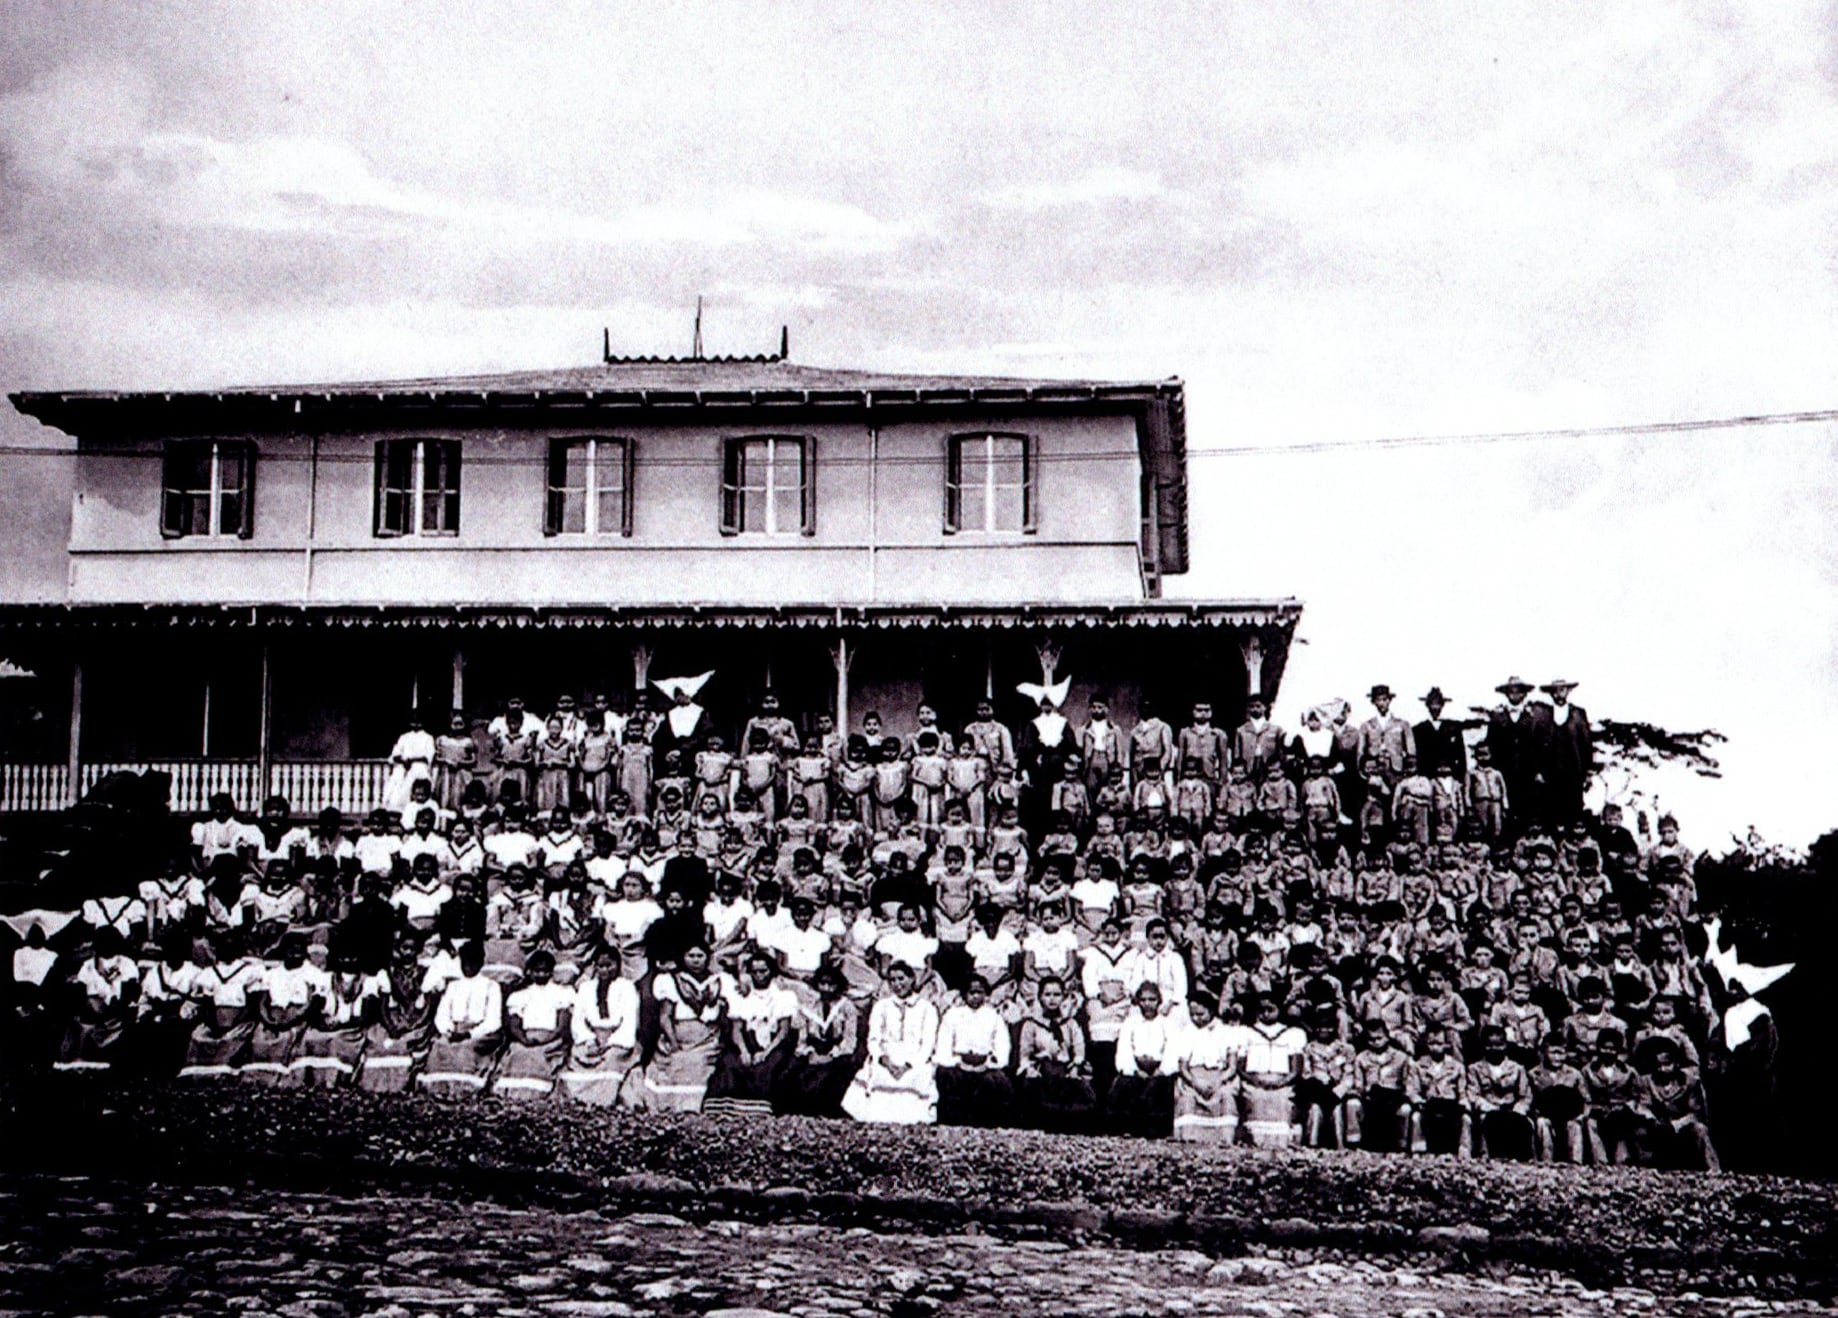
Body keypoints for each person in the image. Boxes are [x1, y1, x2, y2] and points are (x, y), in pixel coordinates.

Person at [629, 941, 725, 1111]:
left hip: (707, 1039)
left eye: (700, 956)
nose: (696, 960)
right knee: (675, 1060)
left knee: (696, 1062)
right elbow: (665, 1017)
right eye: (691, 956)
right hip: (677, 1035)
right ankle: (667, 1103)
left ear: (707, 958)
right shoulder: (672, 980)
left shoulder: (718, 981)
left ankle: (691, 1105)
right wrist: (673, 1041)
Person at [842, 961, 941, 1124]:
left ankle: (909, 1119)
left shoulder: (927, 1008)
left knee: (916, 1076)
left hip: (916, 1057)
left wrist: (908, 1065)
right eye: (892, 980)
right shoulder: (881, 1006)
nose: (897, 984)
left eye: (901, 979)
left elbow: (928, 1044)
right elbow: (873, 1039)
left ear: (912, 979)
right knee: (879, 1074)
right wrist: (884, 1059)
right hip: (886, 1055)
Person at [705, 951, 800, 1116]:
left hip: (774, 1044)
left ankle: (759, 1110)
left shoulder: (784, 997)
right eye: (755, 971)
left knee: (767, 1067)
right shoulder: (743, 998)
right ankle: (726, 1108)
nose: (759, 975)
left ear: (771, 971)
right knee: (730, 1063)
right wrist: (744, 1051)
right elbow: (737, 1029)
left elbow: (783, 1031)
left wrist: (765, 1052)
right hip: (748, 1042)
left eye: (763, 971)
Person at [416, 941, 503, 1096]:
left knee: (466, 1049)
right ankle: (440, 1088)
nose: (468, 967)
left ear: (481, 963)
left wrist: (469, 1034)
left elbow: (493, 1020)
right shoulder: (453, 986)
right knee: (440, 1047)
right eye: (465, 962)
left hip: (480, 1032)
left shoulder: (491, 986)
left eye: (473, 962)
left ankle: (465, 1088)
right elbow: (442, 1014)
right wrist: (449, 1031)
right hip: (454, 1030)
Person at [559, 944, 642, 1106]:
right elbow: (578, 1019)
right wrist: (589, 1040)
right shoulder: (586, 988)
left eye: (609, 965)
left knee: (611, 1058)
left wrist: (612, 1042)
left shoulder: (627, 987)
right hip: (592, 1038)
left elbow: (630, 1020)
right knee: (580, 1057)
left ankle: (603, 1099)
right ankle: (582, 1099)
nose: (605, 970)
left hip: (617, 1039)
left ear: (618, 965)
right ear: (595, 967)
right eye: (601, 966)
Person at [775, 964, 862, 1117]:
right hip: (814, 1050)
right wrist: (810, 1053)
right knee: (790, 1073)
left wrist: (831, 1055)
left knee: (834, 1076)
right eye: (823, 983)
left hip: (837, 1052)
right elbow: (802, 1038)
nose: (826, 989)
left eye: (831, 984)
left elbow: (849, 1040)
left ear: (838, 986)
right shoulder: (809, 1006)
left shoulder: (846, 1007)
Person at [1015, 974, 1098, 1132]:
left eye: (1057, 994)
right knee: (1032, 1090)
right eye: (1047, 994)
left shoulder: (1071, 1023)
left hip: (1066, 1069)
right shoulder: (1031, 1024)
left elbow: (1079, 1051)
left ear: (1063, 997)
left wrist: (1075, 1067)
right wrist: (1030, 1069)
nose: (1052, 999)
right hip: (1042, 1070)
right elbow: (1025, 1054)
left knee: (1082, 1094)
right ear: (1040, 997)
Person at [933, 973, 1016, 1126]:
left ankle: (988, 1123)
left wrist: (989, 1063)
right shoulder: (952, 1014)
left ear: (986, 994)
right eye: (972, 992)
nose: (976, 997)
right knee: (947, 1076)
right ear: (964, 994)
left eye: (980, 992)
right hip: (958, 1063)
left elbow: (1002, 1045)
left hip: (985, 1064)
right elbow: (943, 1044)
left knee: (996, 1081)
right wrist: (956, 1061)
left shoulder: (994, 1016)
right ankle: (954, 1123)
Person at [1104, 981, 1177, 1138]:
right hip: (1136, 1067)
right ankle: (1126, 1128)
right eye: (1143, 1000)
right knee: (1125, 1085)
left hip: (1159, 1069)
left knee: (1157, 1087)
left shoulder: (1167, 1024)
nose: (1147, 1004)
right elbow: (1124, 1049)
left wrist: (1162, 1070)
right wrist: (1134, 1070)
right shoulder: (1131, 1022)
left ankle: (1154, 1130)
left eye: (1152, 1000)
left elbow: (1172, 1050)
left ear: (1159, 1001)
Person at [1172, 990, 1244, 1143]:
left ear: (1211, 1011)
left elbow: (1232, 1067)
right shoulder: (1187, 1032)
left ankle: (1223, 1137)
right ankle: (1190, 1135)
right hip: (1194, 1077)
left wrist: (1218, 1081)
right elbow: (1183, 1067)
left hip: (1220, 1077)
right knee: (1188, 1098)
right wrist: (1195, 1082)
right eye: (1192, 1015)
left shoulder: (1227, 1032)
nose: (1195, 1018)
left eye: (1200, 1014)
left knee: (1225, 1096)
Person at [1635, 1038, 1719, 1171]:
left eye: (1667, 1064)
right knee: (1640, 1131)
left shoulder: (1690, 1082)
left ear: (1676, 1063)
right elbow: (1643, 1106)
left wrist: (1676, 1125)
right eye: (1658, 1065)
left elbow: (1695, 1112)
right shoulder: (1646, 1081)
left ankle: (1713, 1170)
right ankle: (1644, 1171)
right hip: (1657, 1127)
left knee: (1700, 1130)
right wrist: (1653, 1121)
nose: (1662, 1069)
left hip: (1682, 1128)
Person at [1483, 676, 1549, 836]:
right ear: (1506, 694)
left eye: (1518, 691)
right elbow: (1491, 744)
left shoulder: (1534, 717)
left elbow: (1541, 746)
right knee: (1506, 808)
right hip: (1504, 771)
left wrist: (1539, 770)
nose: (1515, 695)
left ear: (1524, 694)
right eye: (1511, 691)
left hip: (1528, 772)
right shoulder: (1497, 717)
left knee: (1527, 807)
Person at [1238, 993, 1306, 1147]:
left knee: (1281, 1099)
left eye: (1270, 1009)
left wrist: (1281, 1082)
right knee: (1256, 1098)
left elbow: (1296, 1068)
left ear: (1280, 1009)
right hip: (1255, 1080)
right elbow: (1240, 1066)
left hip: (1282, 1081)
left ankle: (1281, 1142)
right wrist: (1254, 1080)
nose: (1266, 1014)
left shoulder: (1292, 1033)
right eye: (1262, 1010)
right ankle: (1256, 1141)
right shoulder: (1247, 1032)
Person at [1345, 1020, 1415, 1152]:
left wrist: (1405, 1095)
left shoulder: (1401, 1057)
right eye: (1371, 1039)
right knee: (1352, 1104)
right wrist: (1363, 1091)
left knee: (1405, 1109)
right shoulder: (1361, 1058)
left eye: (1379, 1038)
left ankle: (1401, 1145)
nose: (1376, 1042)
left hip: (1393, 1098)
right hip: (1370, 1099)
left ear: (1387, 1037)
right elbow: (1359, 1084)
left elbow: (1408, 1083)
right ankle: (1354, 1143)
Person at [1467, 1025, 1533, 1160]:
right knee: (1487, 1121)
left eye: (1499, 1045)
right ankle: (1487, 1157)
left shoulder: (1517, 1068)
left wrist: (1518, 1109)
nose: (1494, 1049)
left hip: (1512, 1109)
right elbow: (1473, 1094)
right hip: (1488, 1109)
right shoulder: (1474, 1069)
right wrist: (1489, 1107)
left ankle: (1522, 1159)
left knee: (1522, 1123)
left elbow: (1525, 1096)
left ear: (1505, 1045)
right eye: (1489, 1045)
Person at [1537, 679, 1594, 829]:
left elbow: (1586, 744)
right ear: (1551, 694)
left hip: (1574, 771)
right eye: (1555, 691)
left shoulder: (1578, 714)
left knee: (1573, 810)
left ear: (1568, 691)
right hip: (1551, 772)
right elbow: (1537, 745)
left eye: (1562, 690)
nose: (1558, 694)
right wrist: (1539, 771)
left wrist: (1588, 772)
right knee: (1551, 810)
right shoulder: (1543, 716)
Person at [1529, 1036, 1590, 1163]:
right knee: (1542, 1124)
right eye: (1553, 1053)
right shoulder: (1534, 1074)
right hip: (1545, 1115)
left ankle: (1575, 1163)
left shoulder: (1574, 1074)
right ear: (1544, 1052)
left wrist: (1582, 1116)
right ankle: (1546, 1161)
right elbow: (1529, 1098)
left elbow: (1586, 1099)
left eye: (1561, 1053)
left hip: (1569, 1115)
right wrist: (1535, 1114)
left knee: (1574, 1126)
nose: (1557, 1058)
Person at [383, 713, 437, 815]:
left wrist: (412, 760)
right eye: (413, 721)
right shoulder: (404, 737)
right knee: (397, 783)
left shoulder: (428, 737)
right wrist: (403, 760)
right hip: (403, 767)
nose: (416, 724)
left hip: (419, 767)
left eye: (418, 722)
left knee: (417, 778)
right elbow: (395, 754)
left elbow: (427, 756)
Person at [1413, 687, 1466, 781]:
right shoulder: (1418, 729)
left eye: (1438, 704)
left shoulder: (1453, 727)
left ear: (1442, 705)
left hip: (1450, 776)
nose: (1435, 708)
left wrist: (1461, 777)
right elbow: (1417, 755)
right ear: (1427, 705)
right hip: (1428, 777)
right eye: (1432, 704)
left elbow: (1461, 754)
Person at [1232, 695, 1285, 782]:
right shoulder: (1241, 730)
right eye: (1252, 706)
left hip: (1269, 768)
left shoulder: (1275, 730)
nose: (1255, 709)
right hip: (1248, 767)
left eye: (1258, 706)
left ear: (1265, 707)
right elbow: (1237, 754)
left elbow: (1280, 753)